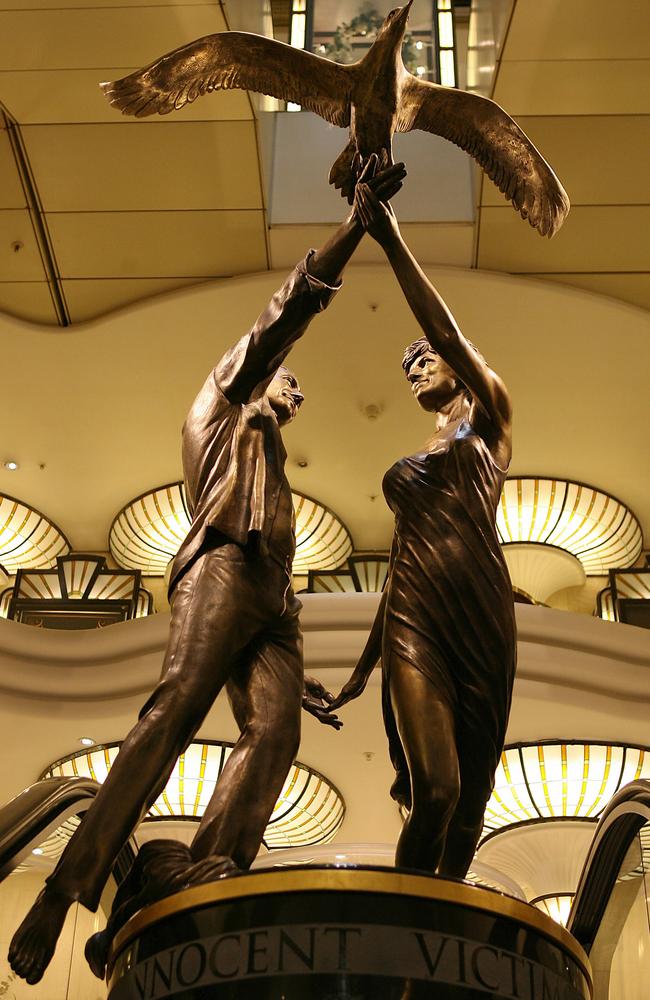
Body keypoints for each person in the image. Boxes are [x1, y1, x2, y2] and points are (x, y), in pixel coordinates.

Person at [9, 160, 406, 986]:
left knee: (276, 734)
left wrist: (288, 669)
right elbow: (286, 312)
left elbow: (276, 560)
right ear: (255, 376)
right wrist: (355, 228)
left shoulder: (273, 460)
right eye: (286, 383)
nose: (293, 396)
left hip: (273, 600)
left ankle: (201, 879)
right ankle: (64, 888)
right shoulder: (222, 404)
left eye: (298, 395)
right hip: (221, 563)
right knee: (176, 708)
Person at [329, 181, 516, 879]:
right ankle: (407, 933)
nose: (413, 369)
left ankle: (446, 935)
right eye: (406, 368)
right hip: (415, 613)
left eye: (423, 361)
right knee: (435, 791)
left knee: (470, 802)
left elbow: (445, 330)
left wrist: (390, 236)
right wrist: (357, 673)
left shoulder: (489, 417)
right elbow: (400, 566)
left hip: (479, 607)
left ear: (460, 369)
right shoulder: (421, 457)